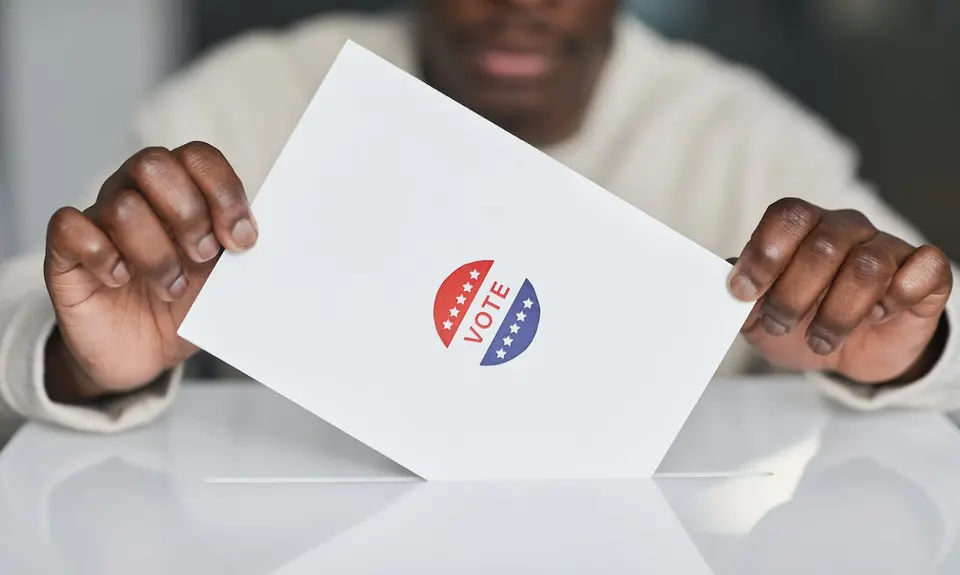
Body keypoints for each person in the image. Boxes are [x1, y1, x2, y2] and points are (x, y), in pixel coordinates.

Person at [0, 0, 957, 433]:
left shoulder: (739, 132)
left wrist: (902, 352)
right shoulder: (243, 100)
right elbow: (25, 313)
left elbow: (932, 324)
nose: (515, 8)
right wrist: (79, 364)